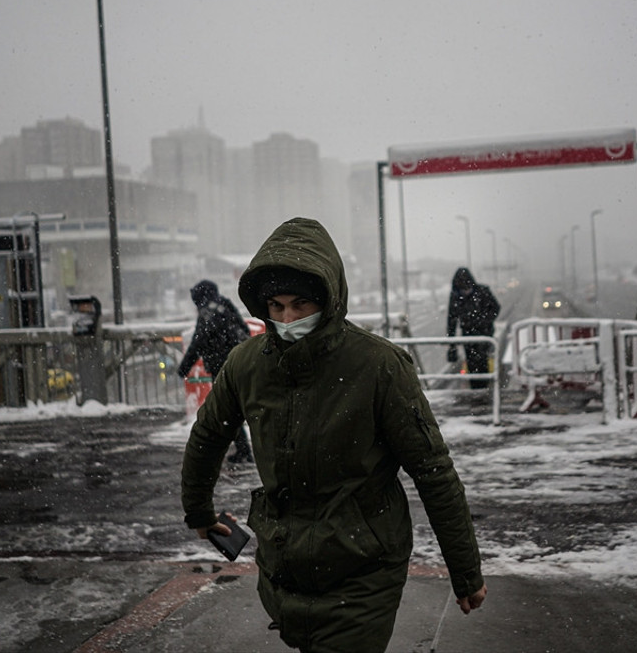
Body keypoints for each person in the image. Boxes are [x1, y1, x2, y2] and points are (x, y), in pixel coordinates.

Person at [181, 218, 486, 653]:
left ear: (328, 299)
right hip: (283, 566)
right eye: (276, 306)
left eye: (300, 304)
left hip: (365, 567)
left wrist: (465, 571)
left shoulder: (378, 366)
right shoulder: (247, 365)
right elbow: (208, 435)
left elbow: (432, 470)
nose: (287, 319)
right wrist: (198, 511)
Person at [177, 279, 254, 464]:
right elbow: (244, 330)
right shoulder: (225, 305)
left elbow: (198, 341)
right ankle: (245, 449)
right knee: (236, 407)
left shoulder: (207, 312)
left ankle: (243, 449)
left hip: (221, 366)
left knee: (228, 409)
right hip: (239, 362)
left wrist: (184, 367)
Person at [446, 267, 500, 389]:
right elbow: (451, 320)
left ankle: (482, 387)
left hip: (483, 333)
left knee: (482, 361)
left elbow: (495, 308)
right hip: (468, 334)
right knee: (472, 363)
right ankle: (478, 388)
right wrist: (451, 345)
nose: (465, 291)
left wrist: (484, 321)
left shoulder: (482, 291)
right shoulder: (456, 296)